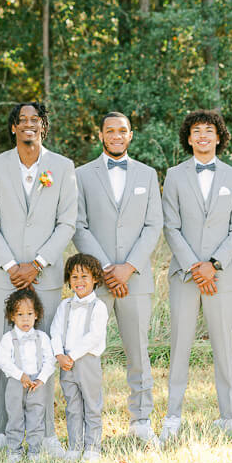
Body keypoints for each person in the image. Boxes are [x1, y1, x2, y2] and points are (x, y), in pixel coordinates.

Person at [0, 100, 77, 458]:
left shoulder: (62, 167)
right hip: (8, 278)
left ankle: (45, 436)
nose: (29, 125)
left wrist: (37, 263)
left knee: (45, 354)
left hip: (45, 276)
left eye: (36, 120)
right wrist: (10, 265)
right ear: (14, 128)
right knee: (4, 354)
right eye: (23, 120)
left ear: (44, 127)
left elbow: (67, 222)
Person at [160, 109, 232, 442]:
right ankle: (172, 416)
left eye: (209, 130)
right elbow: (171, 226)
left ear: (219, 136)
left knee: (225, 346)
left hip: (222, 276)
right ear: (188, 137)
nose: (202, 136)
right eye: (196, 131)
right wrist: (195, 267)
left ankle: (231, 415)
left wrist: (214, 263)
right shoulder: (174, 175)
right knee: (180, 344)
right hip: (185, 276)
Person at [74, 110, 162, 444]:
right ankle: (84, 422)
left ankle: (141, 419)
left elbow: (154, 225)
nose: (116, 135)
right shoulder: (81, 175)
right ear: (100, 135)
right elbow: (78, 224)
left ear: (131, 134)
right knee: (86, 349)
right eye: (110, 131)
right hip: (96, 280)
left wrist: (128, 267)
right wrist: (107, 269)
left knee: (138, 350)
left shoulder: (147, 174)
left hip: (135, 278)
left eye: (122, 130)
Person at [50, 253, 108, 463]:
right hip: (66, 362)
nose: (79, 281)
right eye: (74, 277)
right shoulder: (64, 305)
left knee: (91, 405)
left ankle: (92, 447)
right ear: (68, 280)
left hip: (87, 361)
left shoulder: (98, 307)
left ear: (95, 279)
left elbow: (93, 336)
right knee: (72, 405)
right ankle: (75, 446)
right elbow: (55, 331)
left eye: (84, 276)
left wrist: (72, 356)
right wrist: (59, 354)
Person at [0, 287, 56, 463]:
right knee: (15, 416)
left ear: (36, 315)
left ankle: (34, 450)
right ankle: (14, 450)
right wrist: (19, 374)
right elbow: (2, 360)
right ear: (12, 317)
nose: (25, 319)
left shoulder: (42, 337)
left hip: (37, 384)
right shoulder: (8, 338)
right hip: (16, 383)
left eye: (29, 313)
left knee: (36, 417)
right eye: (20, 314)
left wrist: (41, 378)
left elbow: (49, 360)